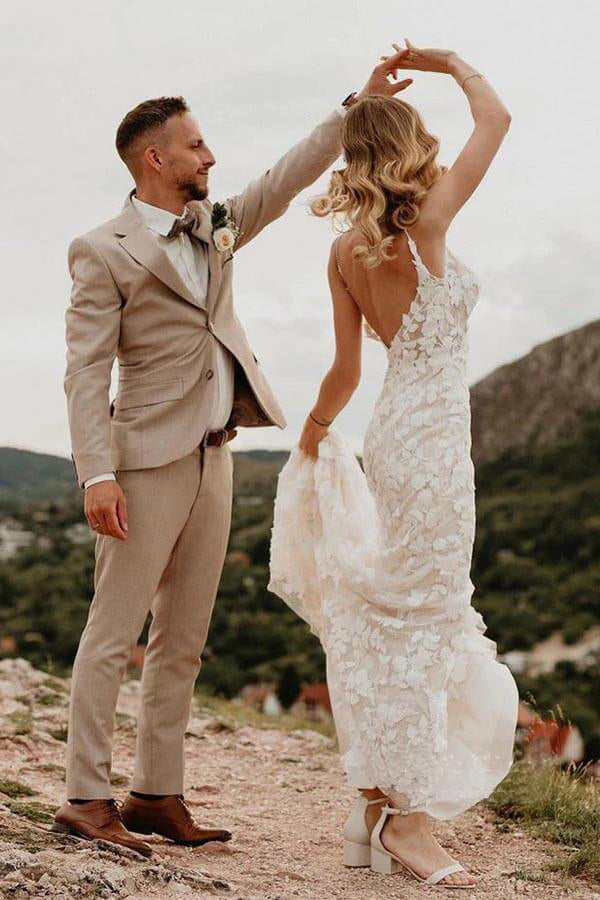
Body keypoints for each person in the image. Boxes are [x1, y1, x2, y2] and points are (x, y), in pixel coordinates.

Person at [52, 46, 416, 856]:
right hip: (142, 463)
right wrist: (96, 472)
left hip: (216, 453)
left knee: (183, 636)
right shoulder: (101, 248)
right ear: (156, 158)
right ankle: (84, 796)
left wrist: (356, 107)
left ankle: (155, 792)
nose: (210, 156)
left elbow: (285, 181)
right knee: (113, 633)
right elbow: (83, 370)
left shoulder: (215, 224)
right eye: (196, 144)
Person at [269, 38, 519, 889]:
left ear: (353, 159)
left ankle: (370, 806)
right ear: (410, 149)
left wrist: (309, 439)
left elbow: (344, 374)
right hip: (439, 441)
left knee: (399, 611)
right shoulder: (431, 221)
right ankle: (409, 824)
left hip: (390, 432)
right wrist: (449, 62)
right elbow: (498, 118)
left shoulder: (344, 252)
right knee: (426, 612)